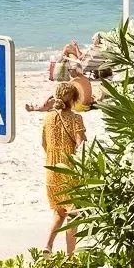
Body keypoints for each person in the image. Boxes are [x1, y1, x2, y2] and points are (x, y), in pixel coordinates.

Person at [42, 82, 88, 254]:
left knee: (59, 211)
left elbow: (44, 144)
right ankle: (70, 256)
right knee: (73, 214)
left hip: (51, 170)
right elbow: (81, 145)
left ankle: (48, 245)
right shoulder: (76, 119)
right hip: (68, 170)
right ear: (74, 99)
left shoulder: (47, 118)